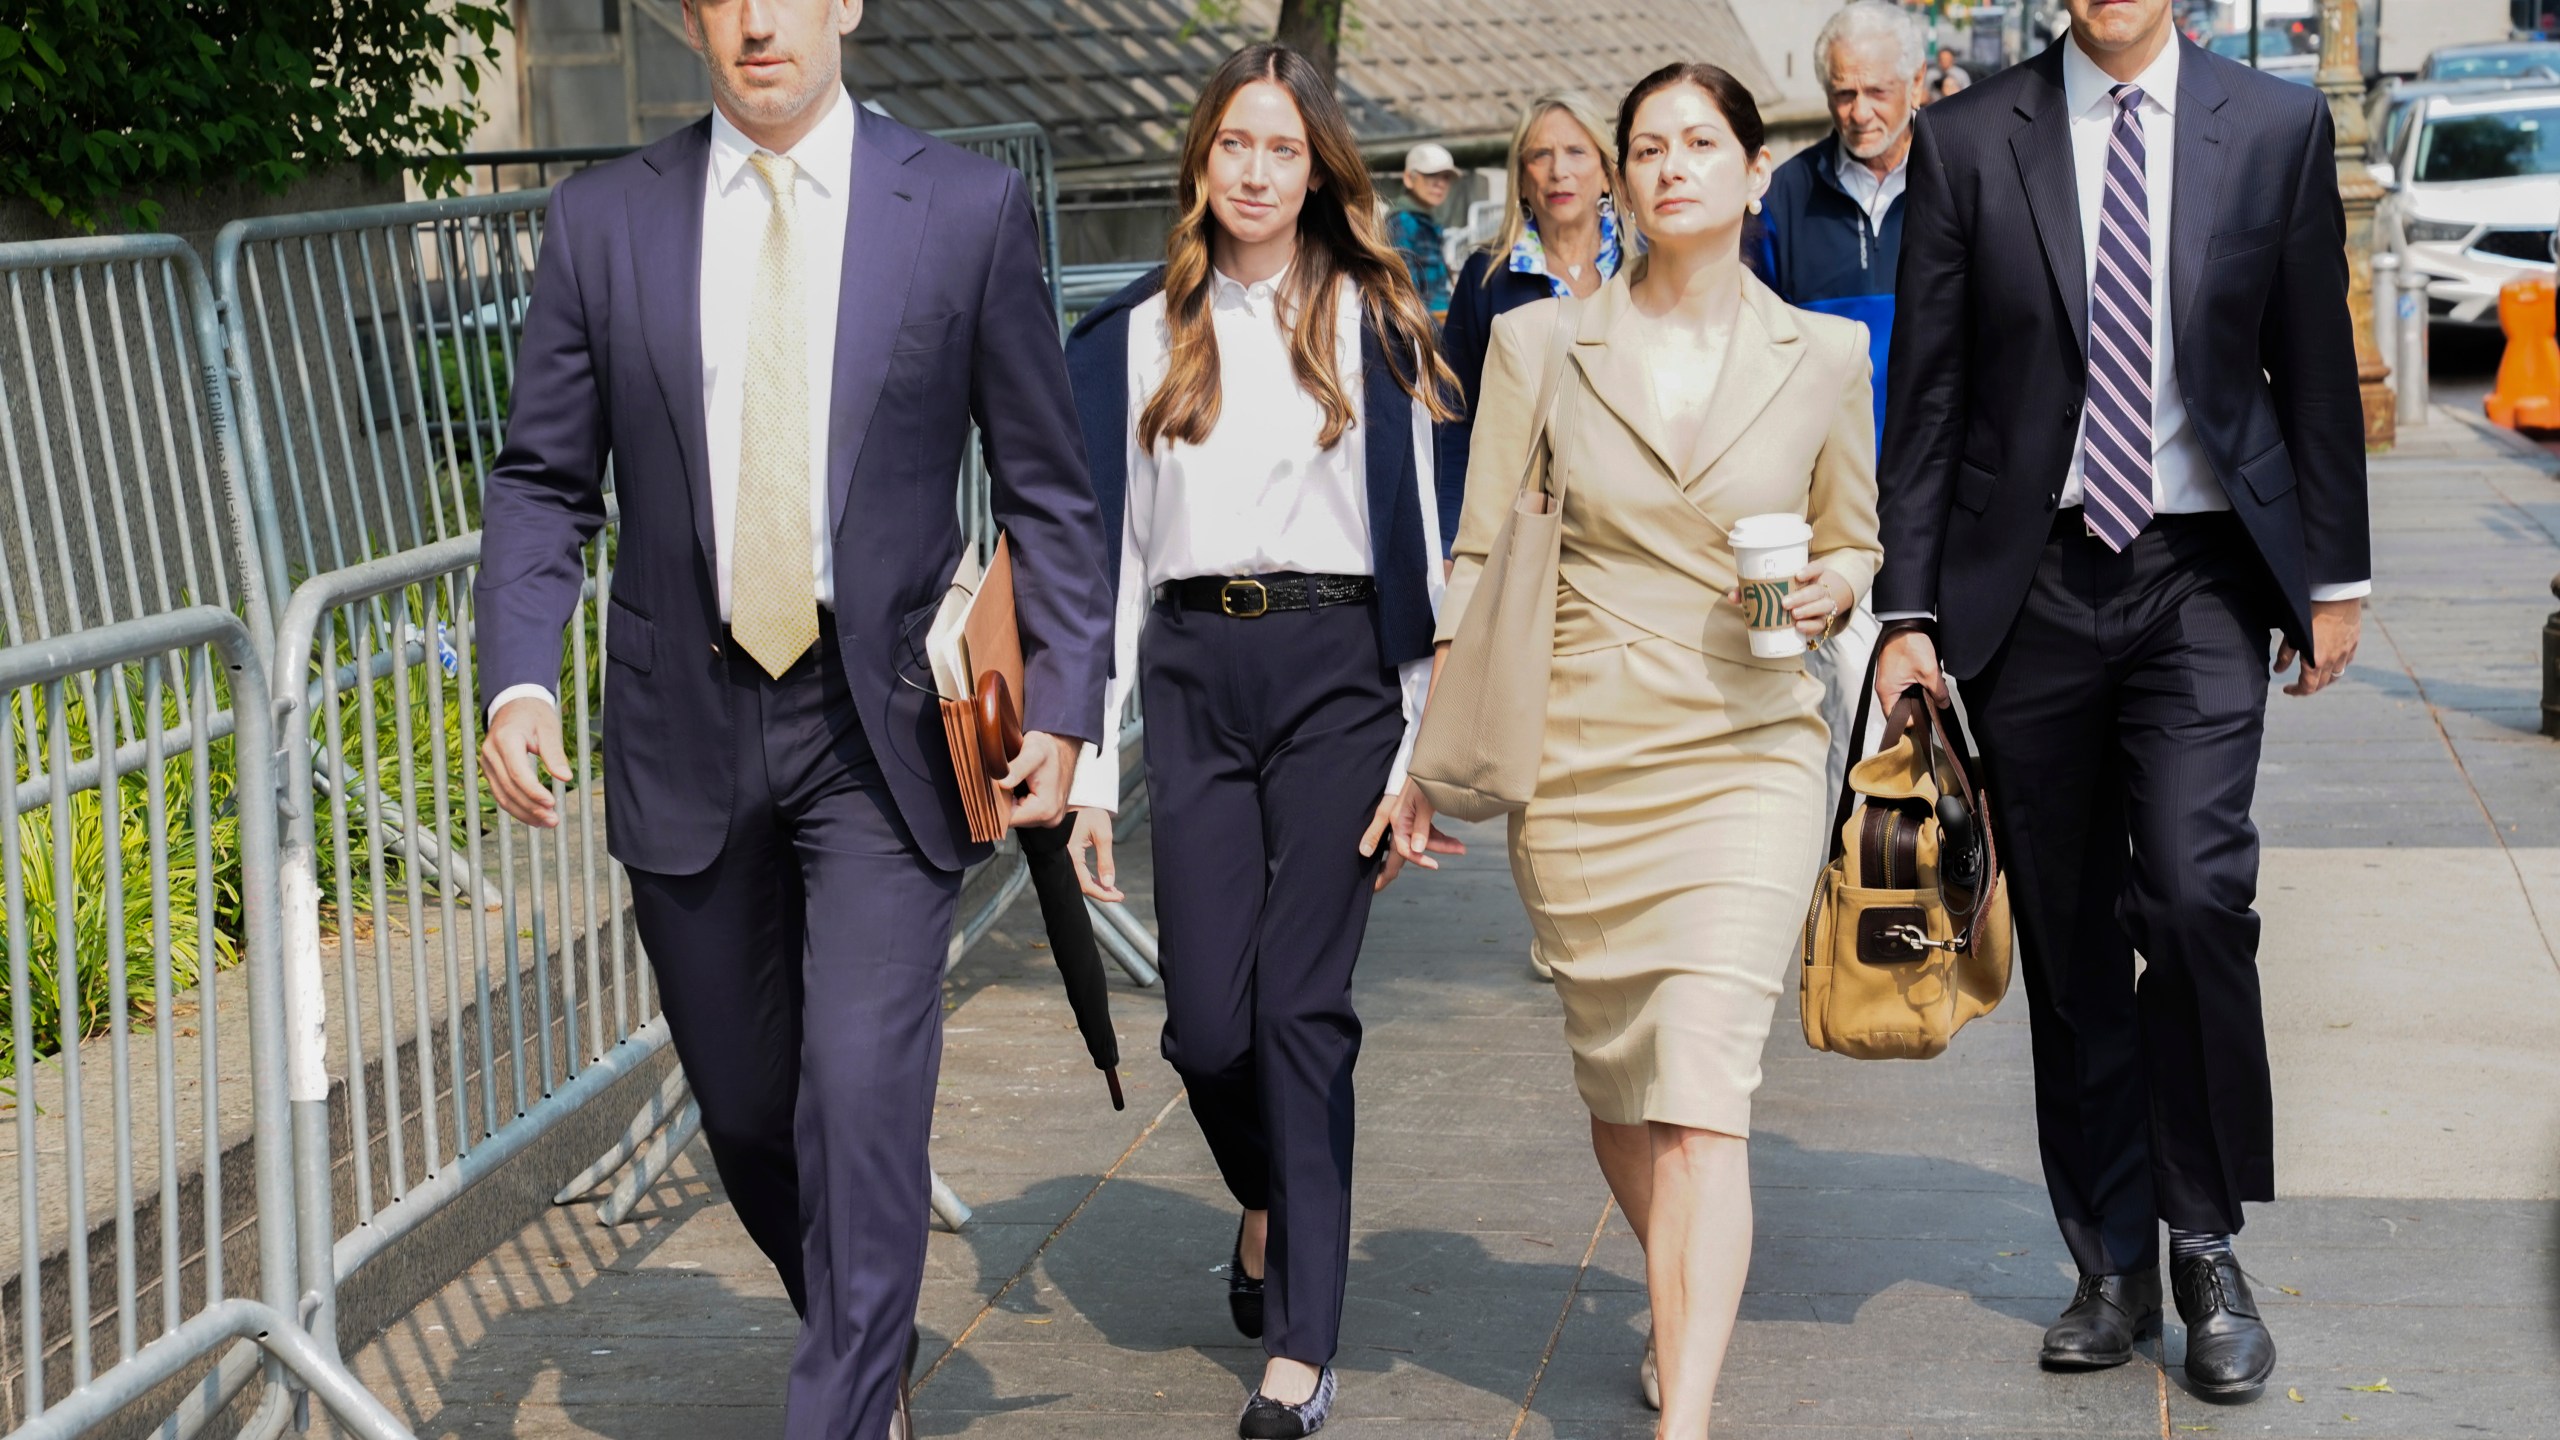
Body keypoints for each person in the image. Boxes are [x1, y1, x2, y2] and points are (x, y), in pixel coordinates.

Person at [470, 0, 1114, 1434]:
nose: (760, 21)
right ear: (695, 17)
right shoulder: (601, 222)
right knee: (756, 1111)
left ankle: (840, 1404)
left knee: (864, 1087)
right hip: (679, 720)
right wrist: (519, 674)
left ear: (846, 6)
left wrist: (1067, 706)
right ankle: (859, 1338)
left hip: (875, 726)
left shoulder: (960, 207)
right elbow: (541, 480)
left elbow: (1049, 489)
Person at [1874, 0, 2369, 1405]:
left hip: (2204, 573)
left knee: (2200, 896)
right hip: (2027, 585)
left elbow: (2315, 364)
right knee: (2077, 930)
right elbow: (1930, 392)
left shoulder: (2271, 128)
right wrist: (1906, 615)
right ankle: (2109, 1260)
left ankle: (2207, 1243)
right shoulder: (1969, 141)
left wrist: (2335, 576)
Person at [1397, 62, 1880, 1437]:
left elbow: (1854, 530)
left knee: (1704, 1087)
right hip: (1584, 752)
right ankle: (1686, 1298)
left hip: (1751, 740)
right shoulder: (1543, 347)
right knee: (1628, 1086)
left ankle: (1691, 1413)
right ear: (1615, 177)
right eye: (1648, 147)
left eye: (1701, 143)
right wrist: (1422, 754)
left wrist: (1839, 586)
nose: (1673, 166)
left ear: (1748, 172)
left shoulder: (1824, 354)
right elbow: (1480, 556)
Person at [1055, 42, 1459, 1439]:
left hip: (1339, 676)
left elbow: (1426, 554)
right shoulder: (1126, 336)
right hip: (1187, 676)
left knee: (1302, 1012)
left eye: (1284, 148)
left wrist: (1419, 758)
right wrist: (1091, 764)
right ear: (1201, 159)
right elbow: (1098, 570)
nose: (1258, 170)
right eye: (1237, 144)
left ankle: (1302, 1351)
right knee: (1207, 1029)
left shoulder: (1380, 322)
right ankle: (1272, 1198)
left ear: (1318, 167)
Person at [1747, 0, 1928, 810]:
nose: (1861, 112)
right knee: (1850, 736)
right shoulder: (1785, 198)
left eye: (1878, 92)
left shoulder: (1965, 180)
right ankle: (1852, 910)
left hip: (1944, 498)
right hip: (1835, 510)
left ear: (1917, 84)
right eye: (1843, 93)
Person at [1436, 92, 1626, 547]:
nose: (1559, 170)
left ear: (1605, 175)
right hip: (1518, 522)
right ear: (1521, 181)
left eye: (1577, 152)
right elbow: (1454, 416)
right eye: (1541, 155)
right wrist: (1448, 540)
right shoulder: (1486, 277)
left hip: (1627, 521)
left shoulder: (1642, 269)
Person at [1388, 141, 1461, 318]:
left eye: (1446, 177)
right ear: (1409, 179)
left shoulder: (1427, 223)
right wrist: (1437, 336)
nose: (1440, 184)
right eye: (1432, 175)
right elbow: (1407, 293)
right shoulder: (1403, 222)